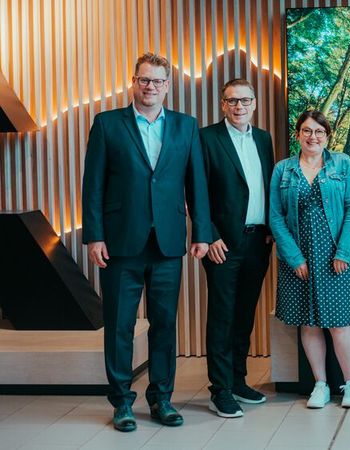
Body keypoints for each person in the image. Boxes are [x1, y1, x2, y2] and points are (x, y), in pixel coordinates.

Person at [82, 52, 211, 432]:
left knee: (165, 325)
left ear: (168, 85)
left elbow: (196, 183)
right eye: (144, 79)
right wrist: (94, 235)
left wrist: (202, 232)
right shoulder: (107, 124)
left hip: (169, 243)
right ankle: (122, 402)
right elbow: (94, 186)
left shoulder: (186, 127)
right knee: (120, 325)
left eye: (157, 81)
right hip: (121, 242)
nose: (150, 86)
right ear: (133, 82)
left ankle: (161, 399)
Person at [269, 110, 350, 409]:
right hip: (298, 259)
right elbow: (275, 216)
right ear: (298, 134)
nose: (313, 137)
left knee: (339, 323)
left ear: (327, 136)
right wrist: (294, 257)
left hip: (336, 257)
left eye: (319, 132)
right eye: (307, 131)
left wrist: (344, 252)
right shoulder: (283, 170)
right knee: (308, 323)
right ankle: (320, 385)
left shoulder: (342, 163)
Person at [200, 78, 275, 418]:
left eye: (245, 100)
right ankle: (220, 390)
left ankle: (238, 380)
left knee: (244, 314)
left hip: (258, 240)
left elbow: (266, 186)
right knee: (222, 315)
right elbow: (196, 192)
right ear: (223, 104)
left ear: (254, 104)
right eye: (232, 101)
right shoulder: (206, 138)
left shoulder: (263, 139)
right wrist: (209, 234)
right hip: (222, 243)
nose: (239, 106)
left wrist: (272, 229)